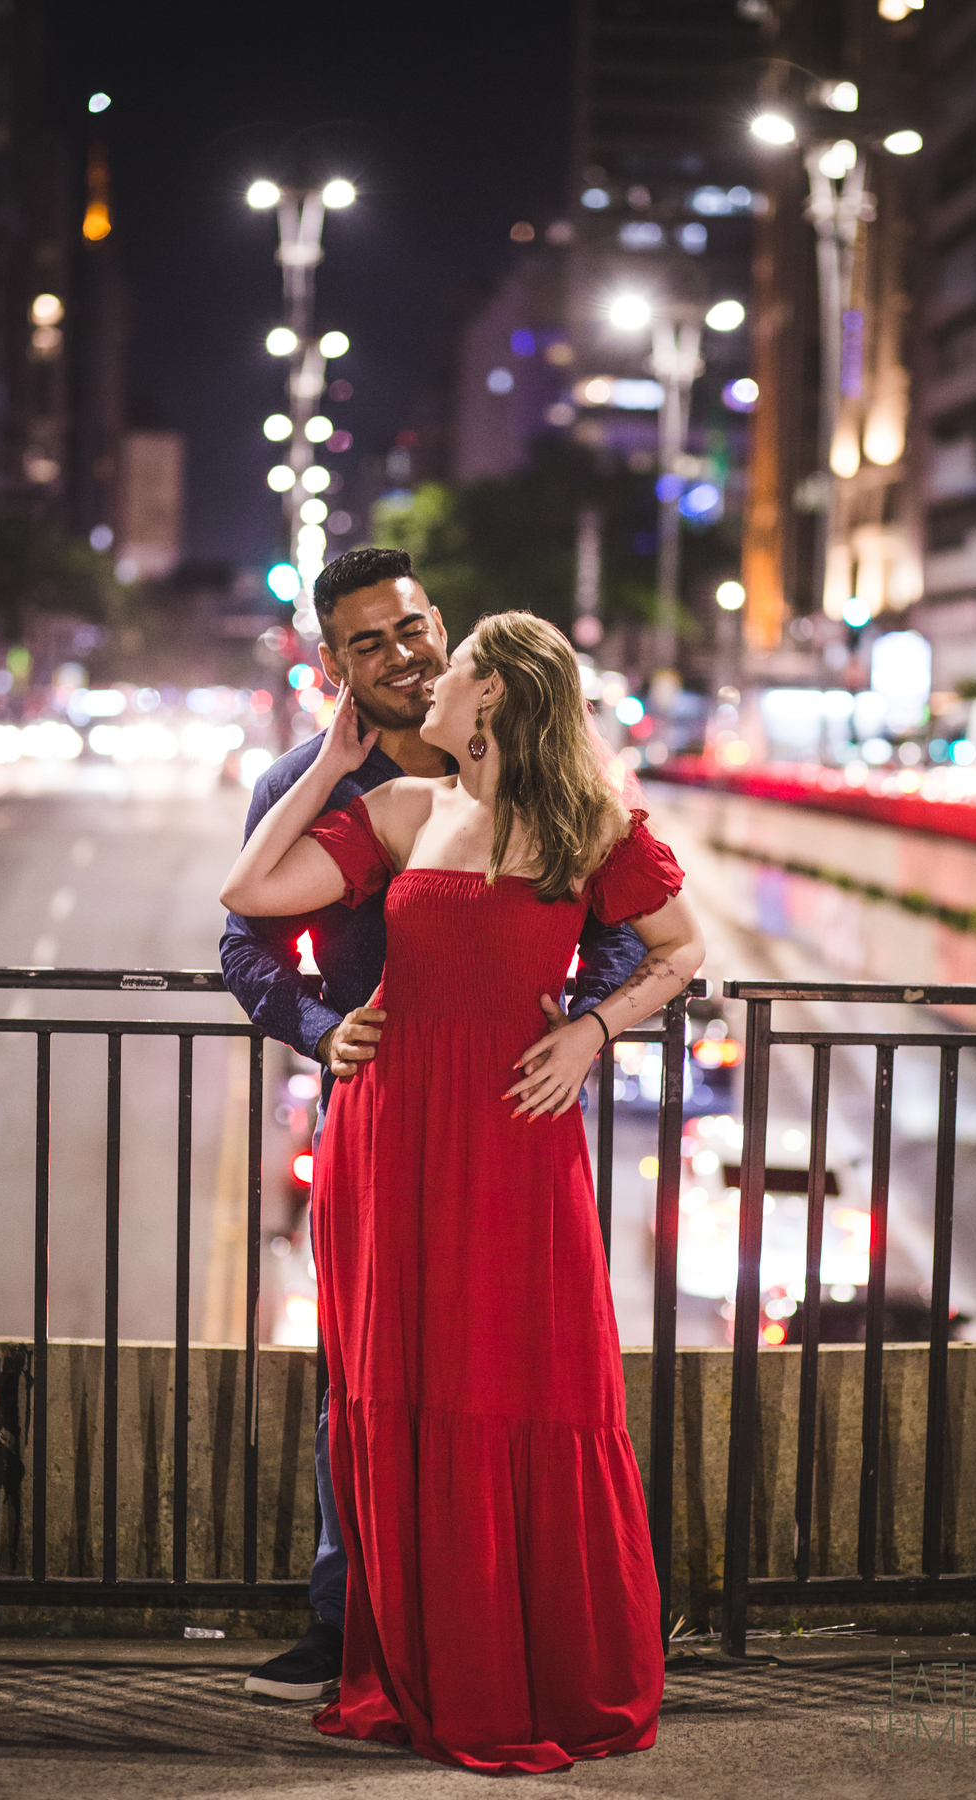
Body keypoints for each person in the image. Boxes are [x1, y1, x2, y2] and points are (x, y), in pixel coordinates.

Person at [220, 608, 705, 1773]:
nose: (429, 678)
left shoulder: (589, 824)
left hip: (513, 1132)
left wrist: (593, 1030)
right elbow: (251, 888)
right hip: (388, 1133)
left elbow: (683, 953)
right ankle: (421, 1664)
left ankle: (522, 1667)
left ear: (491, 699)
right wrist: (330, 762)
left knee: (520, 1380)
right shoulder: (397, 809)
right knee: (398, 1389)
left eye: (454, 666)